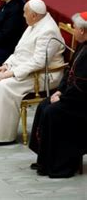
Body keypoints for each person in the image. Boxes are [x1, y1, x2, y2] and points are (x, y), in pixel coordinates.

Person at [0, 0, 66, 146]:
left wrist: (13, 73)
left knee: (1, 86)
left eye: (25, 12)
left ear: (34, 15)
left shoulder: (48, 30)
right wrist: (7, 65)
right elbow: (20, 50)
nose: (23, 15)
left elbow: (39, 62)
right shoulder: (35, 23)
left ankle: (3, 136)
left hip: (44, 75)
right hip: (27, 69)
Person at [29, 11, 87, 178]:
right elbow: (70, 71)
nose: (72, 30)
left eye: (74, 28)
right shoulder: (82, 45)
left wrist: (62, 97)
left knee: (52, 111)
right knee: (43, 105)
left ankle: (61, 164)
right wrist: (60, 91)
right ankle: (45, 159)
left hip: (81, 104)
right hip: (71, 97)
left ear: (82, 31)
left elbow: (82, 84)